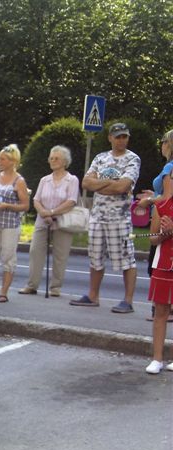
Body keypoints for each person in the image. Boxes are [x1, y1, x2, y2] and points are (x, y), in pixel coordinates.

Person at [70, 123, 140, 313]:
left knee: (126, 259)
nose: (121, 140)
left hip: (120, 217)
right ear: (110, 138)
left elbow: (122, 187)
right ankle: (93, 295)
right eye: (118, 137)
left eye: (124, 136)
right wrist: (111, 182)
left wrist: (100, 184)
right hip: (98, 216)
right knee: (95, 256)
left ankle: (128, 300)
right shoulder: (101, 158)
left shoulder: (132, 159)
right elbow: (86, 182)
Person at [19, 146, 80, 297]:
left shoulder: (71, 180)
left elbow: (71, 201)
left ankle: (55, 287)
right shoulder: (44, 180)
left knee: (60, 255)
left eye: (56, 158)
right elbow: (36, 199)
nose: (53, 161)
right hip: (42, 221)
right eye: (51, 158)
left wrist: (52, 212)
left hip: (62, 222)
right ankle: (32, 285)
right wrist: (44, 213)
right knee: (35, 251)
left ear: (65, 161)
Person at [140, 129, 173, 374]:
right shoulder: (159, 206)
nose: (168, 179)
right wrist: (163, 234)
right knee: (161, 309)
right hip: (164, 261)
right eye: (168, 177)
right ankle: (157, 358)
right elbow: (153, 240)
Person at [0, 144, 29, 302]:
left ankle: (4, 291)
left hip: (10, 224)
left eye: (3, 159)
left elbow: (25, 205)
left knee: (8, 257)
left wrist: (7, 206)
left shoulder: (19, 181)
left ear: (12, 161)